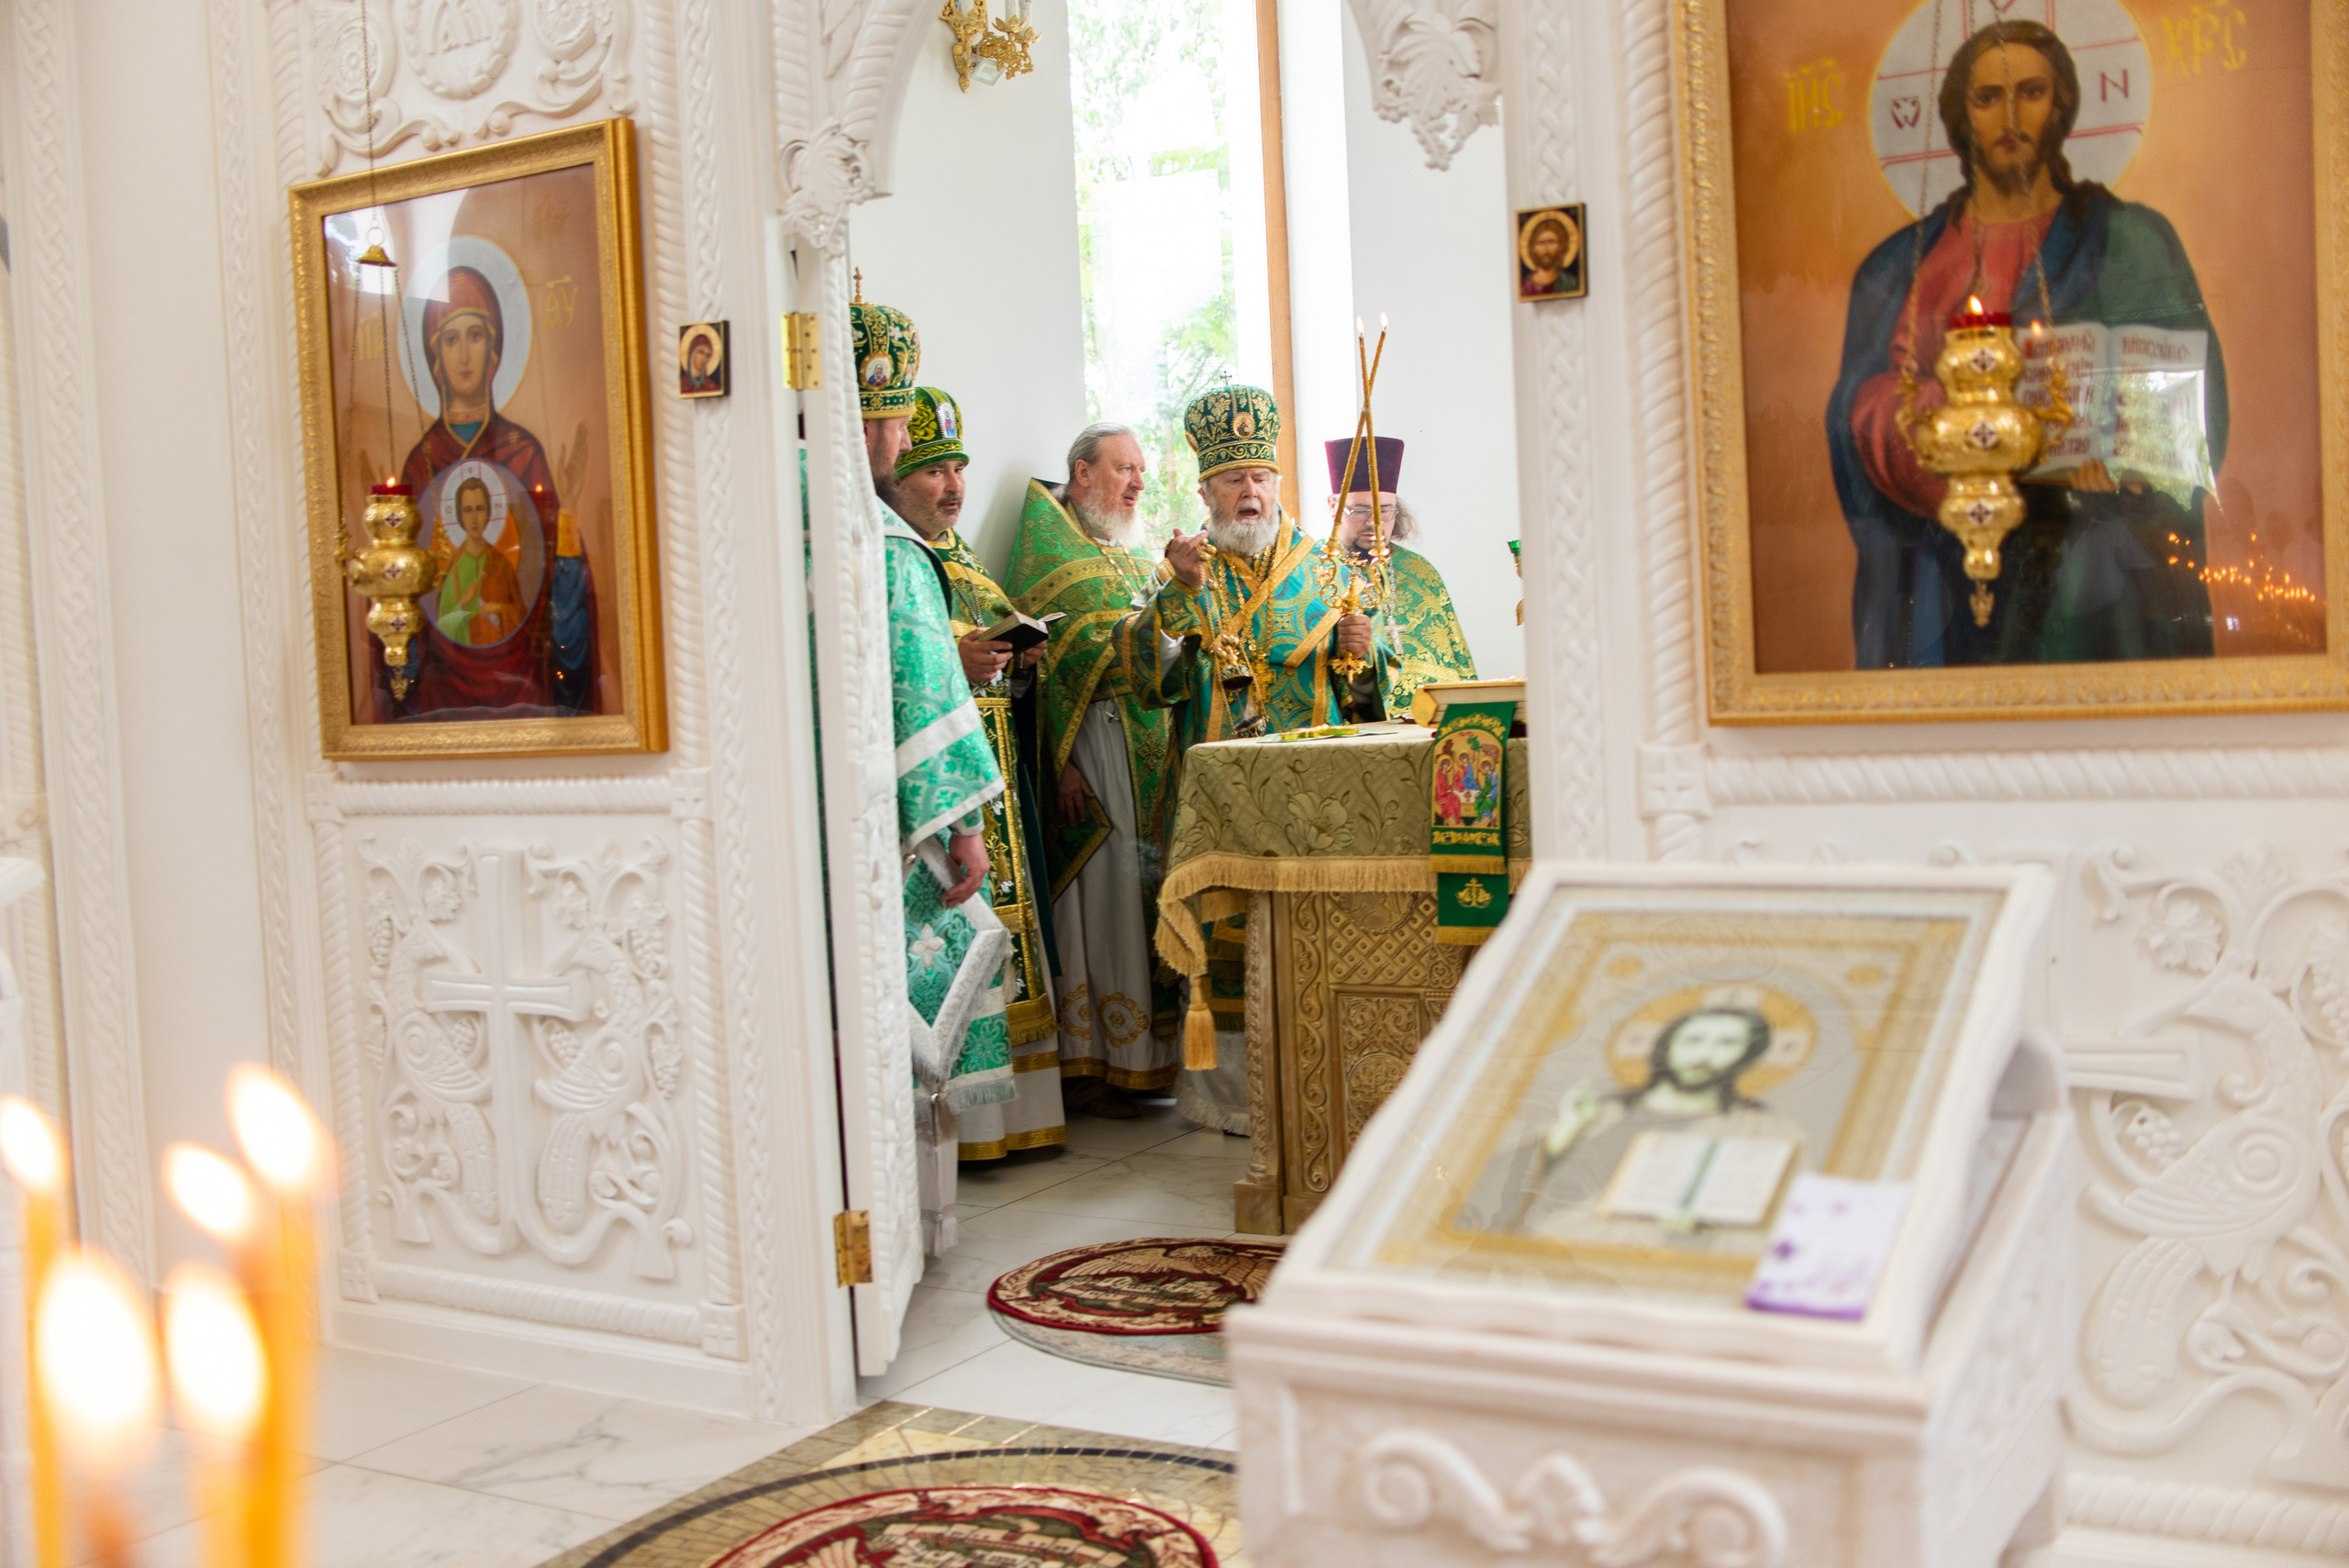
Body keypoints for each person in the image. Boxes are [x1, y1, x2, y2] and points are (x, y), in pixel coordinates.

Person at [1830, 19, 2223, 668]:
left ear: (2061, 104)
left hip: (2086, 583)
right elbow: (1859, 404)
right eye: (1987, 99)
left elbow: (2193, 403)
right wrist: (1968, 428)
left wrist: (2124, 468)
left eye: (2032, 92)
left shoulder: (2129, 243)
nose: (2011, 116)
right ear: (1962, 116)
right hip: (1945, 573)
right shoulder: (1904, 265)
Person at [1112, 385, 1377, 1132]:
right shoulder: (1187, 570)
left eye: (1260, 477)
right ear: (1206, 490)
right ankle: (1233, 1099)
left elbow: (1370, 703)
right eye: (1233, 480)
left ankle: (1329, 1074)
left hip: (1318, 800)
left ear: (1279, 484)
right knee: (1229, 938)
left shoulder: (1328, 570)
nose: (1250, 492)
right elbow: (1146, 681)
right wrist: (1174, 598)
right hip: (1222, 803)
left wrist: (1367, 655)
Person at [852, 282, 1012, 1254]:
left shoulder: (735, 511)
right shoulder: (881, 544)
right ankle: (904, 1224)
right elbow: (918, 685)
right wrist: (960, 821)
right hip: (882, 813)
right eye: (896, 418)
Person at [888, 385, 1068, 1161]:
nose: (954, 486)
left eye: (960, 468)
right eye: (934, 470)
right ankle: (954, 1138)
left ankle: (1010, 1123)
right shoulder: (890, 556)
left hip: (985, 783)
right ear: (895, 471)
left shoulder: (957, 562)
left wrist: (1016, 659)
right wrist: (960, 662)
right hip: (932, 799)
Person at [1003, 423, 1180, 1118]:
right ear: (1081, 475)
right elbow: (1035, 673)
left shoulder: (1134, 559)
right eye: (1123, 468)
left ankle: (1150, 1059)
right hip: (1093, 758)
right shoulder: (1047, 559)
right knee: (1102, 905)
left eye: (1140, 469)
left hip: (1146, 752)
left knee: (1143, 896)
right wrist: (1062, 762)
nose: (1137, 481)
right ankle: (1096, 1060)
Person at [393, 263, 598, 718]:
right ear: (435, 361)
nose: (464, 354)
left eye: (476, 335)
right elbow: (407, 606)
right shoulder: (419, 465)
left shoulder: (524, 455)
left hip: (524, 688)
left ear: (495, 353)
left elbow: (551, 602)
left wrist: (567, 514)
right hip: (440, 694)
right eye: (451, 339)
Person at [1324, 436, 1476, 715]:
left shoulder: (1421, 571)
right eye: (1359, 510)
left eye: (1385, 511)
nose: (1374, 522)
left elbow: (1458, 658)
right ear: (1333, 507)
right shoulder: (1316, 571)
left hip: (1434, 721)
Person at [433, 473, 529, 647]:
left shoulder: (502, 565)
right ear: (460, 516)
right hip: (463, 661)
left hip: (499, 657)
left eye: (480, 508)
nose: (474, 519)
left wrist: (499, 609)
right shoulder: (453, 571)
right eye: (468, 510)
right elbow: (442, 629)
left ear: (488, 513)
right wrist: (463, 604)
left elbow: (522, 619)